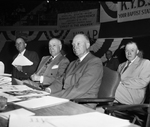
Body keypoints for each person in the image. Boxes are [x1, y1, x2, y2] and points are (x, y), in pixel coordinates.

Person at [45, 34, 103, 109]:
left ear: (87, 45)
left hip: (82, 105)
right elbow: (61, 81)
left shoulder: (94, 62)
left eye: (78, 43)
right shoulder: (72, 63)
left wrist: (52, 97)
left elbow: (79, 89)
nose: (75, 47)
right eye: (73, 45)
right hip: (68, 100)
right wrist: (48, 90)